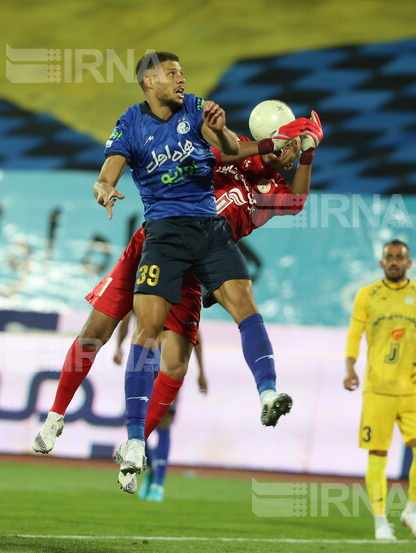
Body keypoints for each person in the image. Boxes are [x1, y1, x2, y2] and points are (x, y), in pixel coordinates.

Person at [95, 51, 300, 485]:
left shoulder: (198, 110)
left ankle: (268, 391)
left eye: (184, 72)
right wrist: (104, 185)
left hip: (208, 232)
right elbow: (113, 167)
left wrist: (225, 129)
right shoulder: (133, 122)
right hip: (166, 233)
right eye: (173, 73)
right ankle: (134, 438)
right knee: (149, 334)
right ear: (149, 81)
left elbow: (232, 151)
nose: (182, 78)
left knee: (244, 304)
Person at [343, 241, 416, 542]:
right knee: (378, 454)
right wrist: (350, 367)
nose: (395, 261)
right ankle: (380, 522)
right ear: (382, 263)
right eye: (390, 257)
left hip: (412, 388)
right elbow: (354, 335)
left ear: (409, 263)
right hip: (378, 389)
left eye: (400, 257)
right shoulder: (367, 295)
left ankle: (411, 511)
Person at [112, 311, 208, 502]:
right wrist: (118, 346)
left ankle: (158, 484)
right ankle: (153, 468)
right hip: (141, 363)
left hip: (167, 366)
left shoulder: (180, 294)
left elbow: (195, 332)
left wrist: (201, 371)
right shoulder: (144, 287)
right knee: (136, 423)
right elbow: (126, 316)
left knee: (163, 425)